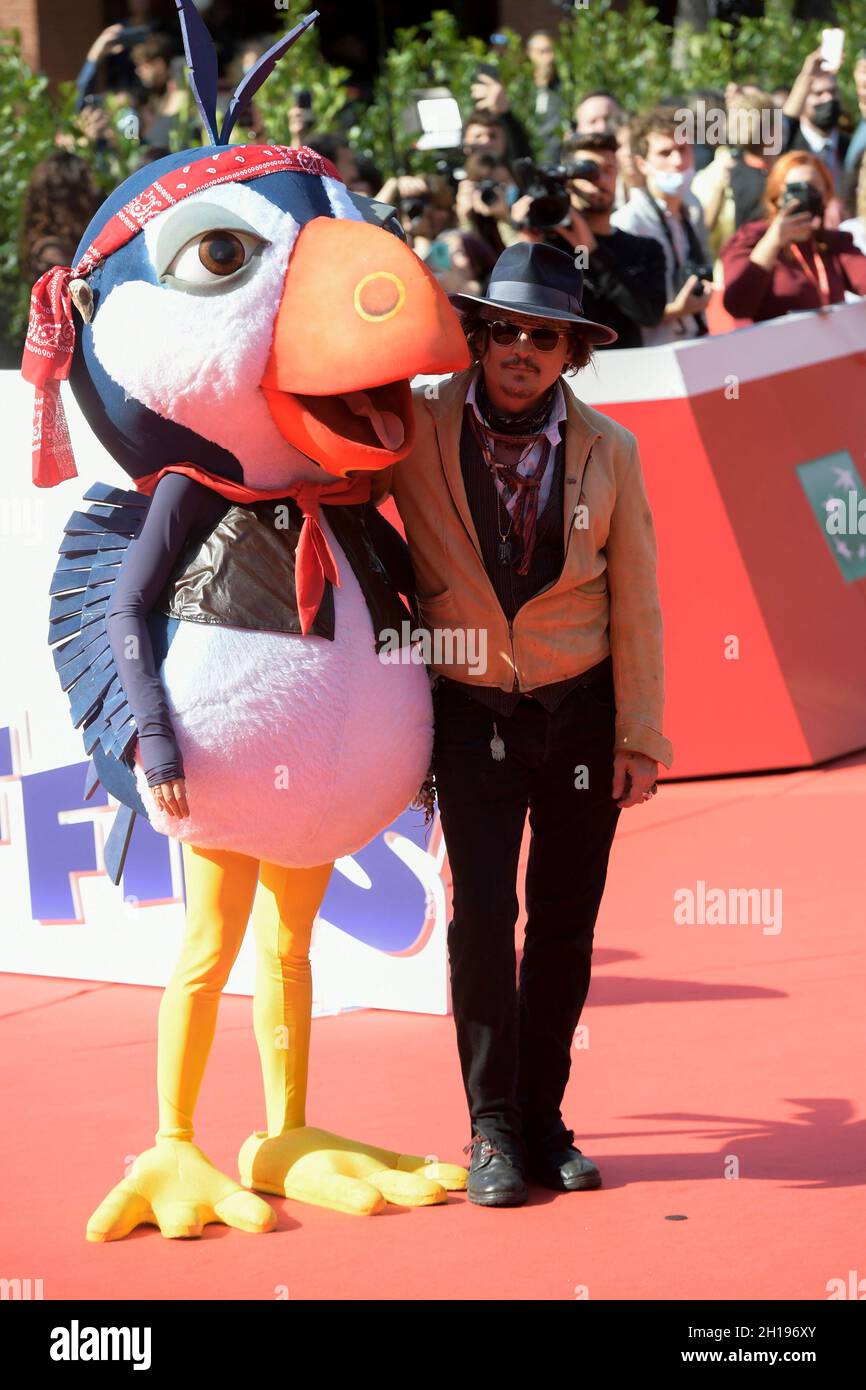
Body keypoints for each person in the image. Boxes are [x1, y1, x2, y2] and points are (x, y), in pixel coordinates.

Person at [373, 242, 673, 1205]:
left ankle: (543, 1120)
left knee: (564, 927)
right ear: (478, 332)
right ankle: (491, 1130)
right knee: (481, 922)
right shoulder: (413, 422)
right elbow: (323, 459)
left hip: (582, 717)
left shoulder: (611, 451)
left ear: (570, 352)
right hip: (469, 714)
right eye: (503, 328)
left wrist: (640, 734)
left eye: (543, 335)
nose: (520, 349)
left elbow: (639, 601)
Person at [512, 131, 666, 349]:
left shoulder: (644, 249)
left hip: (628, 375)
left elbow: (649, 314)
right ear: (568, 180)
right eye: (589, 172)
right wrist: (527, 250)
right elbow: (528, 315)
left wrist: (592, 251)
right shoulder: (546, 247)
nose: (600, 180)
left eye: (608, 170)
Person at [721, 150, 866, 323]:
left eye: (812, 187)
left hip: (831, 345)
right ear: (777, 195)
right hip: (777, 345)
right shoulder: (751, 237)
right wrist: (773, 242)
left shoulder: (833, 241)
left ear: (826, 194)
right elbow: (737, 305)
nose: (804, 197)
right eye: (796, 189)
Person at [611, 106, 713, 344]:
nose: (677, 161)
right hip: (653, 357)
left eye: (683, 149)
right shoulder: (628, 223)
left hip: (696, 344)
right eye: (665, 153)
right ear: (642, 163)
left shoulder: (691, 213)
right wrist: (678, 309)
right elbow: (625, 313)